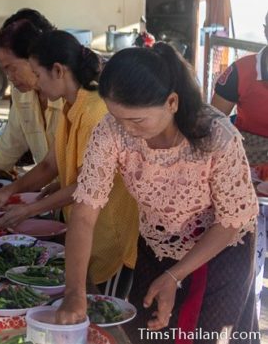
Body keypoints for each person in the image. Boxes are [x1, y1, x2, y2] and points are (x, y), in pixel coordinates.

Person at [57, 43, 259, 343]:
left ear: (172, 102)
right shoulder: (112, 130)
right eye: (118, 117)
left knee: (204, 335)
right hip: (157, 244)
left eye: (136, 120)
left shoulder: (217, 136)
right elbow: (84, 213)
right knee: (147, 333)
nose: (126, 129)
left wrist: (176, 275)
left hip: (219, 252)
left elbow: (230, 222)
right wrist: (74, 293)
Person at [0, 30, 139, 298]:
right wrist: (7, 192)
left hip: (109, 234)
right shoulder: (69, 106)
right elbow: (50, 165)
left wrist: (30, 210)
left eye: (38, 75)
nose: (36, 84)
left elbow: (84, 187)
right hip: (85, 231)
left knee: (103, 309)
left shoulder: (95, 112)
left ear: (59, 71)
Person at [0, 8, 62, 200]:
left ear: (35, 57)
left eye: (12, 68)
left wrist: (8, 192)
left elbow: (52, 166)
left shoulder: (72, 96)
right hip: (56, 203)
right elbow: (10, 144)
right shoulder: (23, 91)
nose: (9, 78)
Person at [211, 10, 268, 317]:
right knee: (247, 269)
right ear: (266, 29)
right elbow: (214, 127)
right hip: (248, 187)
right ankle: (244, 331)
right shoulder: (241, 72)